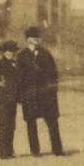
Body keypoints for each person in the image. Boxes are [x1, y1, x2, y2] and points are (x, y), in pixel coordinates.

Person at [18, 25, 65, 157]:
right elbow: (19, 77)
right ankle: (35, 150)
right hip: (30, 94)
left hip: (46, 94)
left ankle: (57, 149)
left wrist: (53, 89)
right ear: (28, 39)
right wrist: (22, 95)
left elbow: (53, 73)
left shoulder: (46, 53)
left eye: (38, 37)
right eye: (34, 37)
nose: (37, 39)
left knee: (52, 121)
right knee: (31, 123)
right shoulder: (21, 55)